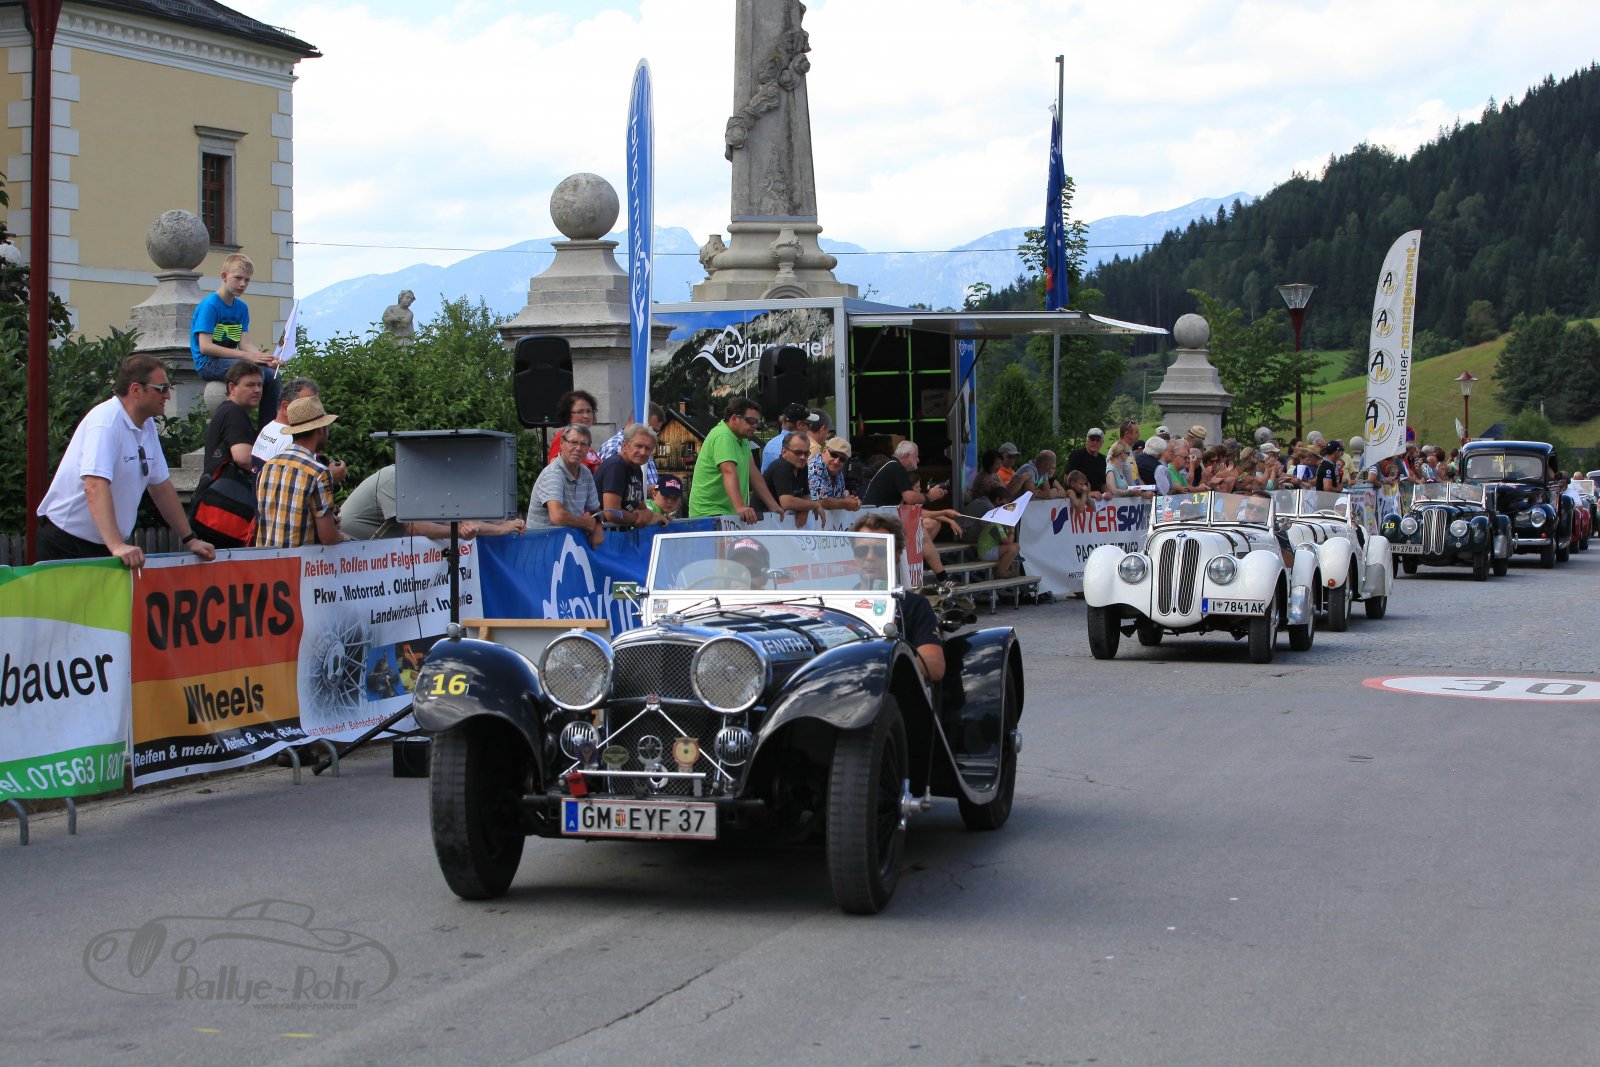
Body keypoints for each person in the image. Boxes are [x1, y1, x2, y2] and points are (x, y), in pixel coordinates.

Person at [36, 355, 216, 567]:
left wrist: (190, 539)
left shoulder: (147, 425)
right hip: (67, 543)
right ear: (136, 390)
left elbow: (161, 487)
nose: (168, 395)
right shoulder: (105, 422)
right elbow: (94, 485)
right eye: (162, 388)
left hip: (105, 543)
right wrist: (116, 546)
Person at [190, 252, 279, 430]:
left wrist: (266, 359)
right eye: (238, 278)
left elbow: (245, 343)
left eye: (247, 280)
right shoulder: (210, 305)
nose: (242, 284)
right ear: (224, 276)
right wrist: (247, 356)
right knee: (256, 375)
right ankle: (241, 423)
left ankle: (266, 430)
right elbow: (205, 347)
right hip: (208, 363)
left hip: (232, 360)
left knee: (273, 375)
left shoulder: (242, 308)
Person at [850, 513, 943, 682]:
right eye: (862, 551)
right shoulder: (838, 604)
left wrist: (877, 666)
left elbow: (934, 666)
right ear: (854, 556)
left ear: (897, 554)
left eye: (880, 551)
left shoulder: (915, 605)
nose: (869, 557)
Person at [340, 464, 524, 540]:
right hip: (349, 555)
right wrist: (459, 532)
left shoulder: (425, 481)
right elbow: (415, 528)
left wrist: (503, 526)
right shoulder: (394, 479)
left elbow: (457, 519)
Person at [255, 395, 345, 548]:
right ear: (320, 430)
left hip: (266, 559)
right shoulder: (318, 472)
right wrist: (342, 537)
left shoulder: (269, 466)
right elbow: (328, 537)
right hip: (299, 560)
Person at [688, 397, 781, 523]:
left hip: (728, 514)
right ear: (734, 418)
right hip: (709, 514)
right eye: (751, 421)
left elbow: (754, 474)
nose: (755, 426)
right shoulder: (723, 435)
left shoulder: (742, 438)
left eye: (757, 422)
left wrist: (773, 505)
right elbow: (728, 471)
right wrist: (740, 506)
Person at [253, 376, 347, 486]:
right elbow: (295, 488)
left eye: (314, 403)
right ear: (285, 407)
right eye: (305, 404)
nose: (312, 409)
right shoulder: (291, 440)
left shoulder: (269, 428)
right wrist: (330, 477)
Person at [529, 423, 605, 547]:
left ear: (588, 449)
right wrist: (585, 523)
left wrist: (597, 526)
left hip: (565, 547)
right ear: (562, 443)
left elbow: (595, 511)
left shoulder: (585, 473)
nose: (578, 448)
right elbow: (557, 516)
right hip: (541, 547)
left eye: (583, 444)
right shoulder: (552, 474)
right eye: (573, 442)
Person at [595, 423, 668, 528]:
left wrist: (657, 517)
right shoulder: (616, 466)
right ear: (624, 446)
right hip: (605, 533)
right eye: (638, 446)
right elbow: (611, 512)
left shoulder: (636, 469)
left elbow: (641, 508)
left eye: (648, 448)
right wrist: (637, 517)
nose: (642, 452)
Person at [599, 402, 666, 492]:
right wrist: (655, 489)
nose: (654, 435)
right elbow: (614, 488)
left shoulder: (644, 446)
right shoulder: (615, 447)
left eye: (656, 432)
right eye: (652, 430)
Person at [862, 440, 950, 509]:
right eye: (916, 456)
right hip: (874, 518)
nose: (918, 460)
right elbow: (910, 498)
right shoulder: (896, 468)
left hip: (876, 515)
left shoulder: (893, 466)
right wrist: (930, 496)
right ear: (907, 455)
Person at [762, 430, 823, 524]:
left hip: (780, 522)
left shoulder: (802, 466)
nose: (803, 457)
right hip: (761, 522)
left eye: (806, 453)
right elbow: (787, 502)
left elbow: (806, 496)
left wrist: (804, 509)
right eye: (798, 452)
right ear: (784, 452)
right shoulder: (781, 467)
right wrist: (815, 505)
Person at [545, 390, 602, 470]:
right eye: (580, 412)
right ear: (567, 414)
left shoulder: (582, 438)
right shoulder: (565, 437)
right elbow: (556, 468)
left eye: (589, 411)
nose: (586, 416)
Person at [807, 437, 864, 513]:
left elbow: (838, 495)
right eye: (834, 455)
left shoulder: (836, 470)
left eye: (842, 459)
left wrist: (851, 500)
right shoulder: (815, 468)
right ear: (824, 451)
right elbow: (821, 501)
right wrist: (845, 503)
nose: (836, 461)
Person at [1065, 428, 1111, 502]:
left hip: (1098, 502)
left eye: (1098, 440)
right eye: (1092, 439)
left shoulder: (1102, 459)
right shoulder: (1077, 455)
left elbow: (1103, 483)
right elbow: (1067, 480)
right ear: (1086, 440)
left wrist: (1108, 493)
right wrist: (1089, 493)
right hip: (1079, 500)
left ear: (1102, 442)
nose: (1095, 442)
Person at [762, 402, 811, 470]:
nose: (809, 428)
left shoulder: (770, 444)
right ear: (799, 424)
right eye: (808, 424)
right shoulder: (798, 447)